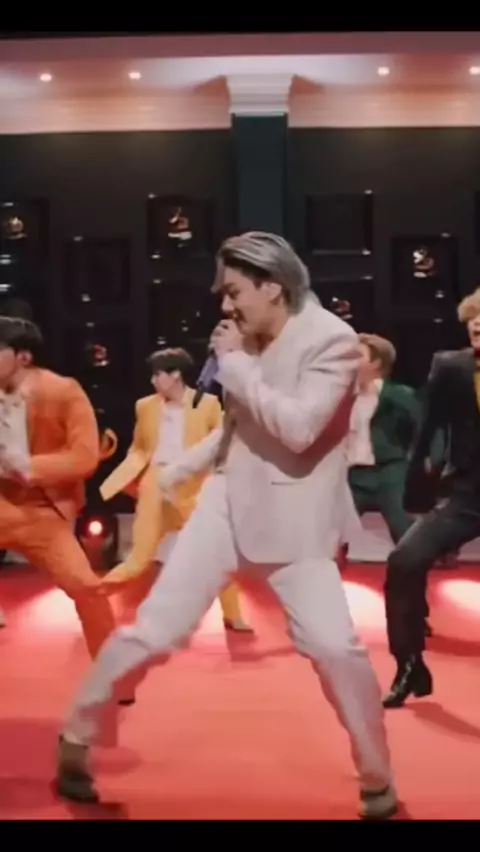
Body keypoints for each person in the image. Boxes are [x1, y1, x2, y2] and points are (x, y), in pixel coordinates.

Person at [57, 232, 396, 820]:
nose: (225, 305)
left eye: (234, 292)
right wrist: (183, 469)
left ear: (274, 287)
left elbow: (299, 429)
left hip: (296, 521)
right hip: (223, 506)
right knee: (153, 630)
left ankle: (377, 775)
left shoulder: (333, 342)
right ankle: (76, 737)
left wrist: (236, 365)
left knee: (335, 648)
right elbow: (235, 429)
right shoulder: (247, 338)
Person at [99, 346, 252, 633]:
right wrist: (131, 479)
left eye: (158, 374)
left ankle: (233, 615)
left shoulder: (207, 404)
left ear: (176, 375)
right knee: (138, 558)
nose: (153, 380)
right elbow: (139, 448)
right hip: (155, 482)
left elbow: (220, 445)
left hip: (192, 484)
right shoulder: (145, 406)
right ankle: (94, 598)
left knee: (216, 553)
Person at [383, 287, 480, 708]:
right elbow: (426, 430)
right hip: (466, 493)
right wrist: (417, 490)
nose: (477, 324)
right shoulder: (451, 366)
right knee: (403, 561)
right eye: (473, 318)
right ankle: (409, 665)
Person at [0, 316, 116, 659]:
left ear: (23, 356)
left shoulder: (63, 392)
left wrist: (29, 467)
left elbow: (84, 457)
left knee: (87, 588)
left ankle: (112, 673)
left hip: (42, 512)